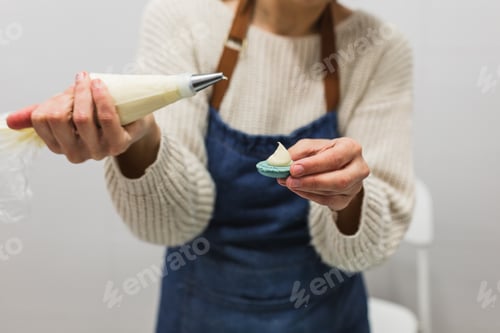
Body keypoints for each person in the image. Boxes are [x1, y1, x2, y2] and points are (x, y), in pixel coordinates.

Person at [17, 0, 415, 331]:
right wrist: (140, 141)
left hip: (325, 314)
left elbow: (366, 250)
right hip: (199, 311)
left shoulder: (380, 48)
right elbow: (170, 224)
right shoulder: (181, 18)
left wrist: (350, 197)